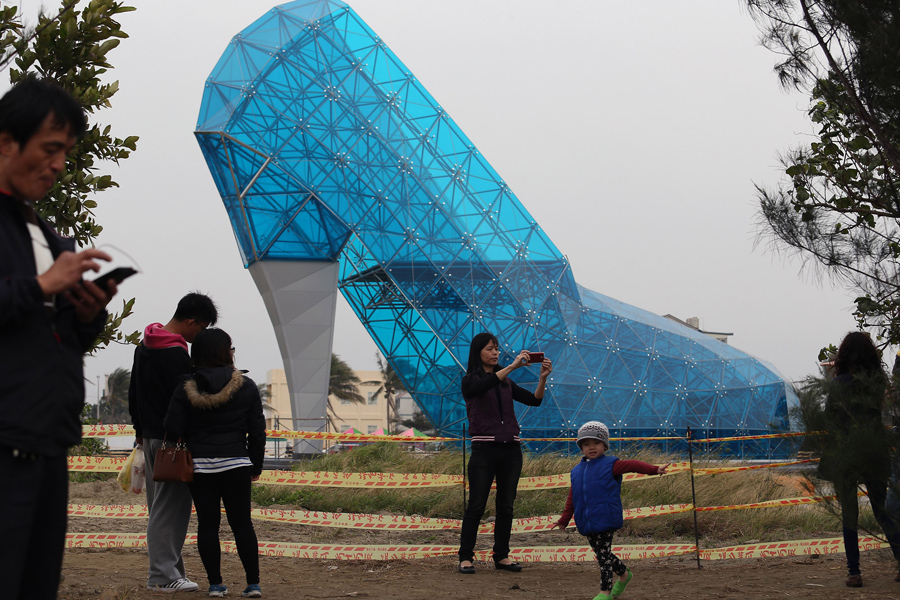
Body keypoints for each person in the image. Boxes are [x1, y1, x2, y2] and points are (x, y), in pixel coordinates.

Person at [0, 78, 119, 599]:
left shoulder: (47, 235)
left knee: (36, 584)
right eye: (50, 149)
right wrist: (42, 285)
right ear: (6, 142)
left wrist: (86, 315)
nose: (57, 165)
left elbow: (52, 334)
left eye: (65, 154)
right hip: (2, 445)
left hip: (47, 443)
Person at [164, 328, 266, 598]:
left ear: (196, 354)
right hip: (237, 464)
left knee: (207, 525)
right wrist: (255, 466)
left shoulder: (186, 388)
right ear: (226, 352)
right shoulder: (246, 386)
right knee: (242, 523)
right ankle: (253, 584)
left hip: (200, 467)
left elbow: (172, 426)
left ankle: (215, 585)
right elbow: (257, 431)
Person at [128, 293, 218, 592]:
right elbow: (183, 400)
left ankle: (172, 571)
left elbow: (133, 392)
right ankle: (162, 577)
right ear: (191, 321)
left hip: (151, 438)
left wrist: (140, 432)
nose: (200, 335)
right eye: (202, 327)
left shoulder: (145, 345)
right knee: (171, 508)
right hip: (173, 440)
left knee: (160, 507)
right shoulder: (177, 353)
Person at [457, 332, 552, 574]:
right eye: (490, 348)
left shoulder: (506, 382)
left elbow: (534, 401)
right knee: (476, 505)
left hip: (511, 449)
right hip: (484, 449)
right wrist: (511, 366)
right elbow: (481, 387)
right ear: (478, 351)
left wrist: (542, 378)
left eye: (497, 348)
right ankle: (466, 557)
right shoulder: (470, 380)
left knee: (506, 506)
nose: (495, 352)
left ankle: (501, 556)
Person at [817, 331, 900, 588]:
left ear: (843, 354)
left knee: (850, 516)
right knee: (882, 512)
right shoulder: (877, 382)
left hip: (846, 453)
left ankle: (854, 572)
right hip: (874, 451)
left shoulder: (839, 383)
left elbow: (830, 418)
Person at [551, 421, 667, 599]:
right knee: (602, 554)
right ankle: (624, 574)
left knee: (603, 557)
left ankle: (605, 592)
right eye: (586, 444)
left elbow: (633, 465)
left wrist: (654, 469)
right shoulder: (576, 471)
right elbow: (572, 498)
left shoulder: (612, 464)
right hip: (586, 520)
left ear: (604, 445)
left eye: (596, 443)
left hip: (606, 517)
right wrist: (564, 519)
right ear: (581, 447)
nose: (591, 447)